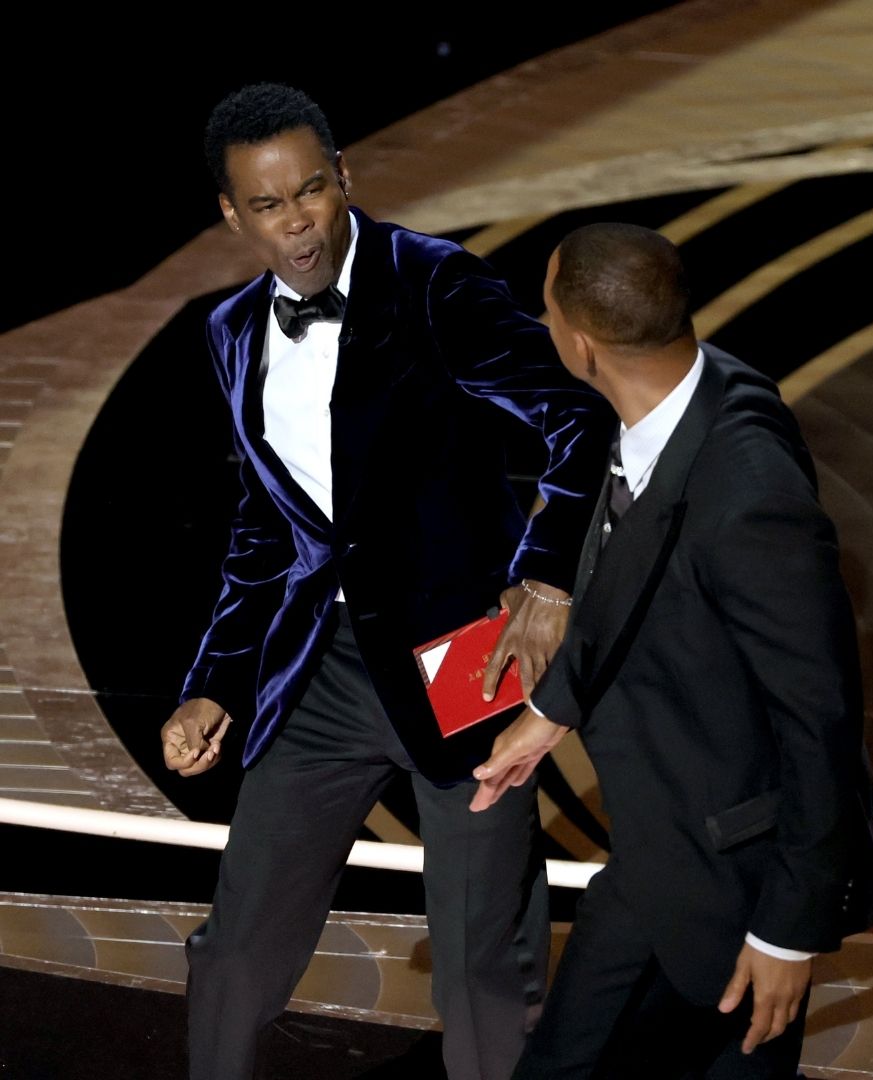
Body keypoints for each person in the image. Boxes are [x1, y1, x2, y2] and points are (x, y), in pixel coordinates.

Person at [159, 83, 614, 1080]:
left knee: (483, 969)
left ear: (344, 179)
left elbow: (582, 422)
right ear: (232, 215)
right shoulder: (231, 330)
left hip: (464, 665)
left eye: (311, 192)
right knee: (236, 948)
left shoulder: (436, 283)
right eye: (269, 206)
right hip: (319, 678)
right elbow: (265, 525)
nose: (299, 223)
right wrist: (216, 682)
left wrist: (547, 574)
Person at [468, 223, 873, 1078]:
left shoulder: (748, 495)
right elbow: (633, 569)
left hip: (741, 883)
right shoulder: (705, 391)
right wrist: (552, 711)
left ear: (580, 346)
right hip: (655, 844)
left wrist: (788, 931)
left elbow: (820, 718)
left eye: (546, 310)